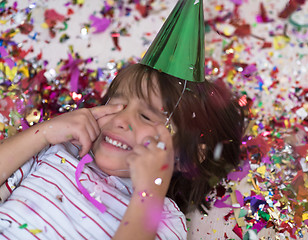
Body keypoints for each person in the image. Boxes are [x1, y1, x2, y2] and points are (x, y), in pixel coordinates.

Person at [0, 0, 246, 239]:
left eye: (146, 116)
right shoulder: (56, 153)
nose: (120, 119)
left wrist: (150, 190)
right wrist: (44, 133)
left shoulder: (164, 219)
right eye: (116, 104)